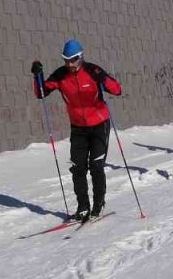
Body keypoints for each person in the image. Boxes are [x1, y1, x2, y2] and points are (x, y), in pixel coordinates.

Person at [31, 38, 122, 221]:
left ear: (81, 57)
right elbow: (41, 92)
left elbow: (117, 89)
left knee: (96, 166)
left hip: (99, 124)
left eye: (73, 59)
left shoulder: (93, 71)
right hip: (78, 127)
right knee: (78, 167)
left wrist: (103, 80)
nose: (70, 64)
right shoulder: (61, 75)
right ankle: (82, 207)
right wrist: (37, 76)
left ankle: (98, 205)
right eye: (66, 60)